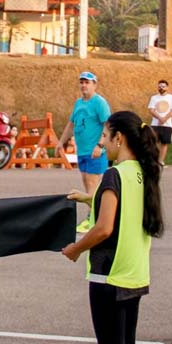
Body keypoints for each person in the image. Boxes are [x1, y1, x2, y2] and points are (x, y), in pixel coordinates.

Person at [62, 111, 164, 344]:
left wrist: (76, 249)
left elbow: (104, 228)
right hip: (135, 272)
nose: (101, 140)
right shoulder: (143, 172)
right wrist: (87, 198)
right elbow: (125, 210)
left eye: (105, 134)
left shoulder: (112, 175)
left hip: (109, 273)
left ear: (119, 137)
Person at [57, 71, 111, 232]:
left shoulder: (99, 102)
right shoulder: (79, 103)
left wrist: (100, 145)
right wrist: (61, 142)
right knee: (87, 184)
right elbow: (71, 124)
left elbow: (108, 124)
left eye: (87, 82)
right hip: (82, 151)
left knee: (93, 184)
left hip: (95, 151)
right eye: (81, 82)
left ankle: (92, 219)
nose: (84, 85)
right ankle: (94, 216)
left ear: (95, 84)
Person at [147, 79, 172, 166]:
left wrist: (165, 119)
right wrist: (159, 118)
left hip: (167, 125)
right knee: (154, 143)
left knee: (164, 143)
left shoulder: (171, 98)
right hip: (155, 124)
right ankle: (153, 160)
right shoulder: (154, 98)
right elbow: (151, 109)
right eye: (160, 86)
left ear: (167, 87)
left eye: (163, 86)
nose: (161, 88)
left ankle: (160, 161)